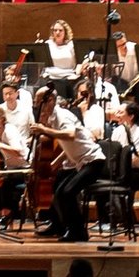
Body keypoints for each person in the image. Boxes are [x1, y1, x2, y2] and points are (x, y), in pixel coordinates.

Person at [29, 84, 106, 243]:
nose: (36, 105)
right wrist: (57, 161)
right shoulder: (53, 118)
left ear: (50, 100)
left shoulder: (63, 115)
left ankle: (78, 232)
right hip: (81, 162)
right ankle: (58, 226)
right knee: (58, 190)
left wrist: (44, 130)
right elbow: (70, 144)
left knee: (67, 192)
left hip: (94, 161)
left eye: (39, 101)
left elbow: (70, 135)